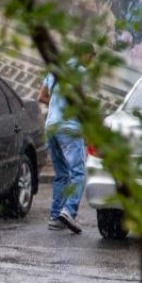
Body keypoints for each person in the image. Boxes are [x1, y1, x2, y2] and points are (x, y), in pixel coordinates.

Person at [38, 42, 95, 234]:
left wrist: (57, 105)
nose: (92, 61)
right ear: (84, 54)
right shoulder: (80, 71)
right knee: (77, 173)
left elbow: (42, 96)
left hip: (51, 127)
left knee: (61, 174)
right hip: (69, 128)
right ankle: (69, 211)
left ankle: (55, 218)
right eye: (91, 56)